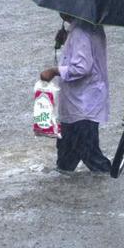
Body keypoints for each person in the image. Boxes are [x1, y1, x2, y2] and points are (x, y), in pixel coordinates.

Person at [40, 13, 112, 174]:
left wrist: (54, 71)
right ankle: (66, 194)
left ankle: (113, 184)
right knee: (66, 158)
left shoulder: (80, 32)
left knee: (90, 155)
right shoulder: (91, 25)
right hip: (80, 104)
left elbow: (82, 67)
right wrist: (68, 40)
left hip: (82, 105)